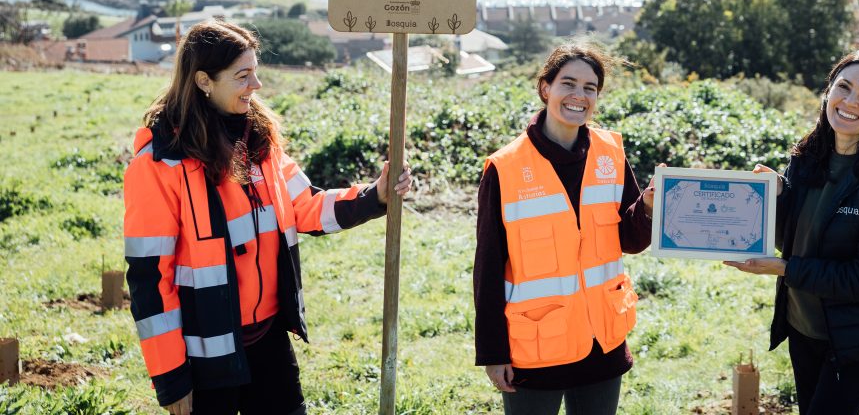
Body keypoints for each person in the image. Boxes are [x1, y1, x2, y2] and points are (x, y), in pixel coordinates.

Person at [123, 20, 411, 415]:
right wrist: (171, 377)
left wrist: (373, 196)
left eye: (255, 72)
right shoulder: (159, 164)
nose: (256, 85)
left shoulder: (258, 141)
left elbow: (304, 206)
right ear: (204, 81)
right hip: (204, 358)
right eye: (242, 76)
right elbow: (150, 279)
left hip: (269, 341)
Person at [724, 43, 859, 415]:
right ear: (828, 92)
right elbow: (792, 239)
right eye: (844, 87)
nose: (850, 101)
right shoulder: (808, 157)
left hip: (858, 339)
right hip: (803, 327)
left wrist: (786, 269)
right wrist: (776, 198)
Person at [473, 43, 653, 415]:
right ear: (546, 88)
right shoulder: (505, 168)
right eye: (568, 83)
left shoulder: (611, 153)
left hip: (602, 343)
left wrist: (648, 207)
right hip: (536, 346)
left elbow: (631, 241)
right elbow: (488, 266)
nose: (578, 95)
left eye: (589, 88)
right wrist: (492, 352)